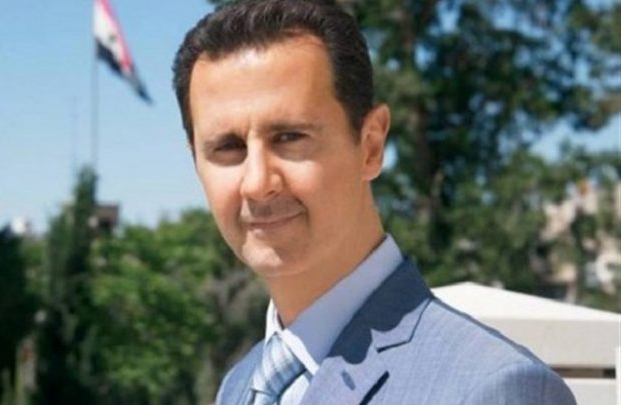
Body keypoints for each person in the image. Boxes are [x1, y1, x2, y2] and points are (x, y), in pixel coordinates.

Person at [172, 0, 576, 404]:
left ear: (371, 146)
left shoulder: (496, 388)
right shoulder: (238, 386)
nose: (258, 183)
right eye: (227, 147)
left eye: (290, 137)